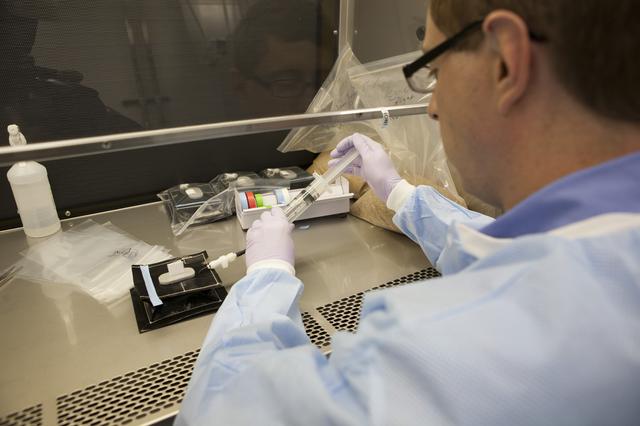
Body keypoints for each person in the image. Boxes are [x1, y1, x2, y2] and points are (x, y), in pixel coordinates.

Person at [176, 0, 640, 424]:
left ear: (506, 61)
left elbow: (227, 411)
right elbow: (512, 249)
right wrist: (399, 193)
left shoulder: (458, 348)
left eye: (434, 71)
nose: (432, 107)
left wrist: (265, 281)